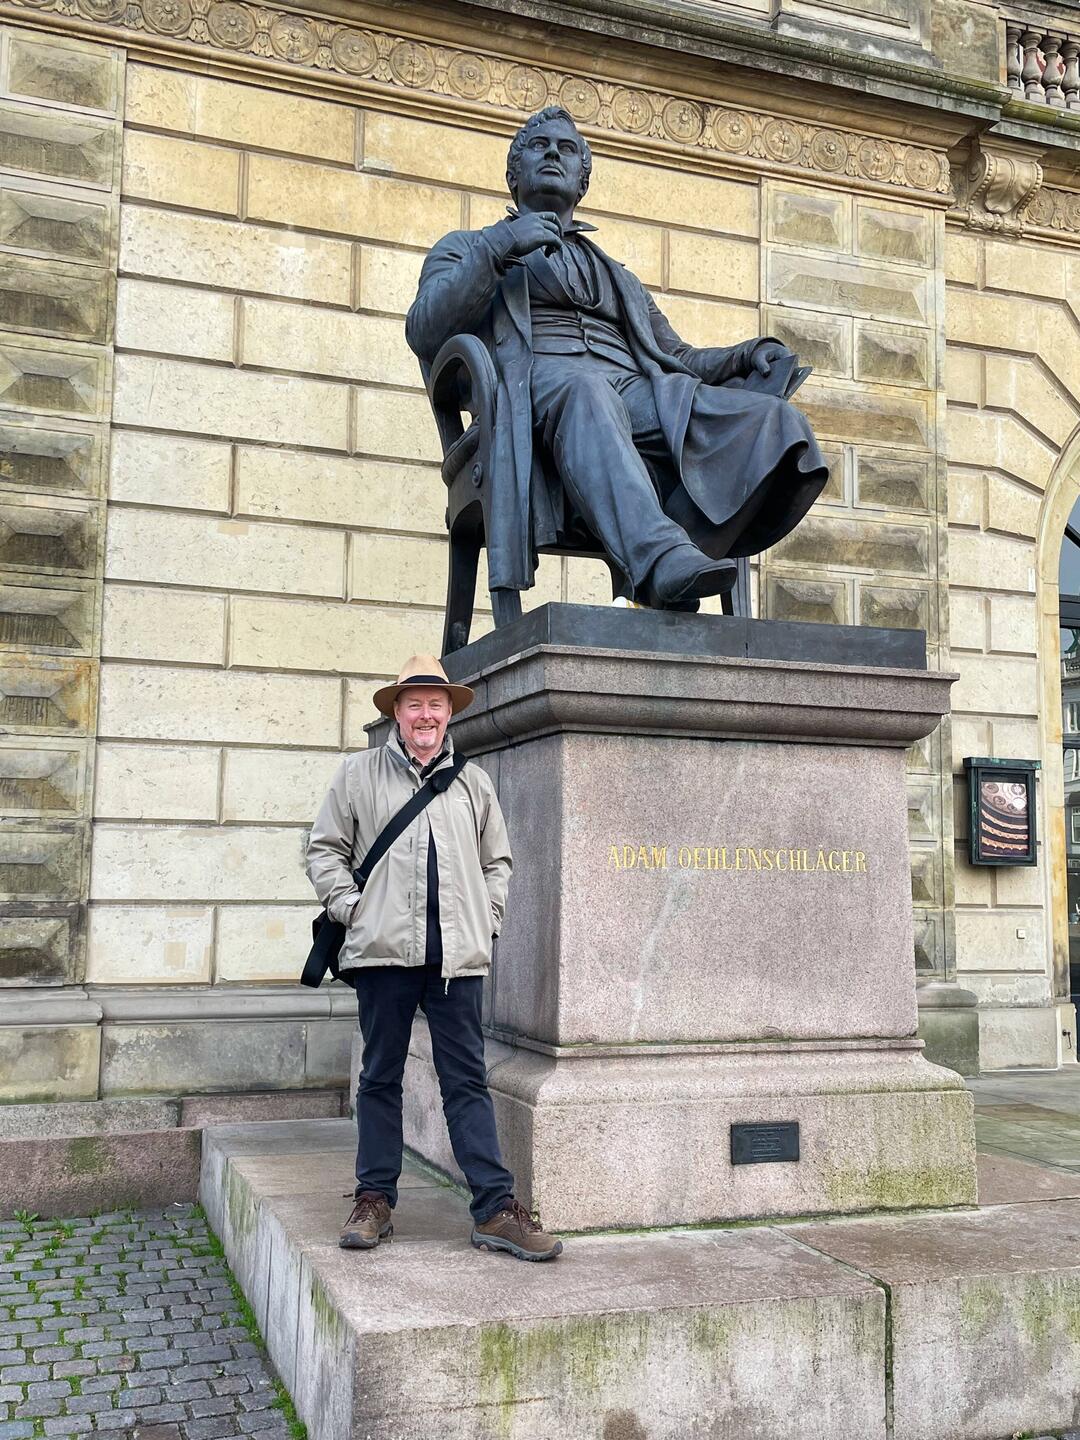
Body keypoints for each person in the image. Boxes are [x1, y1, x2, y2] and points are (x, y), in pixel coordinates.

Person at [406, 106, 829, 611]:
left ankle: (686, 548)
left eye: (566, 149)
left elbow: (675, 355)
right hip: (538, 389)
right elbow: (424, 330)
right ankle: (661, 559)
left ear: (581, 181)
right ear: (513, 175)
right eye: (539, 147)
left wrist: (745, 355)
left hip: (637, 394)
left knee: (774, 422)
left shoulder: (618, 276)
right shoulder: (466, 247)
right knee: (588, 390)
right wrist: (500, 246)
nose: (553, 154)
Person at [305, 654, 562, 1261]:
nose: (426, 715)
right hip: (382, 954)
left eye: (436, 705)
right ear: (397, 711)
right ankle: (374, 1200)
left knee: (466, 1080)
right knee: (380, 1078)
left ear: (449, 713)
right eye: (415, 703)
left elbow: (498, 862)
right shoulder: (358, 774)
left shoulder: (473, 783)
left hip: (455, 962)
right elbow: (324, 850)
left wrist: (486, 919)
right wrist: (352, 909)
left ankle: (495, 1209)